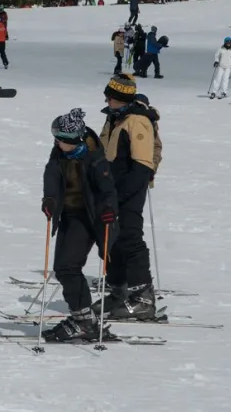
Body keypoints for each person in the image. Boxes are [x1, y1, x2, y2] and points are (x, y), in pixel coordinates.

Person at [40, 108, 118, 342]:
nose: (55, 142)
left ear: (73, 140)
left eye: (60, 138)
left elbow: (108, 191)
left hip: (89, 217)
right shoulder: (60, 153)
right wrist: (50, 200)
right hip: (69, 215)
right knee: (64, 268)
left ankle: (84, 321)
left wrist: (108, 211)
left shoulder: (94, 158)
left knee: (68, 268)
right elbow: (52, 177)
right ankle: (83, 319)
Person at [93, 75, 158, 320]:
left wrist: (120, 196)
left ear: (119, 98)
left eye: (109, 95)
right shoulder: (115, 118)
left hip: (128, 191)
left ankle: (143, 297)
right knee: (112, 239)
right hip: (111, 190)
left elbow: (141, 166)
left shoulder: (137, 122)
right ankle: (118, 290)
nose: (106, 99)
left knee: (130, 237)